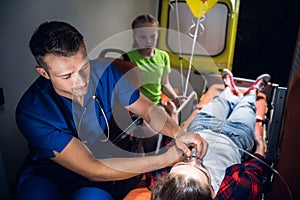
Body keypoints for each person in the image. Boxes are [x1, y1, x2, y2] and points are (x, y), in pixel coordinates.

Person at [14, 21, 209, 200]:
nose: (81, 82)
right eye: (67, 76)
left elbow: (148, 109)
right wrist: (165, 158)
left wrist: (179, 133)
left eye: (84, 67)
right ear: (44, 73)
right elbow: (92, 169)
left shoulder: (107, 74)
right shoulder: (32, 111)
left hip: (98, 165)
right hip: (48, 172)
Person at [150, 69, 271, 200]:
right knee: (246, 107)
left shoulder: (164, 186)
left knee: (221, 101)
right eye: (201, 169)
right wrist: (260, 144)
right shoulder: (237, 192)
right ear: (212, 193)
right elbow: (255, 170)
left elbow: (169, 148)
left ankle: (229, 89)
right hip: (236, 138)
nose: (195, 158)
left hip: (201, 126)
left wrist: (174, 117)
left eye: (183, 164)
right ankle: (253, 91)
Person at [122, 14, 186, 154]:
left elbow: (165, 84)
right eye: (143, 37)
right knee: (152, 134)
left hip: (156, 104)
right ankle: (146, 166)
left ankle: (158, 158)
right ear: (135, 36)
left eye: (152, 36)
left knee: (172, 126)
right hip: (137, 105)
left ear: (157, 35)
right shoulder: (127, 58)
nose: (148, 41)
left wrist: (175, 98)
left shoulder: (163, 56)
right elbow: (124, 91)